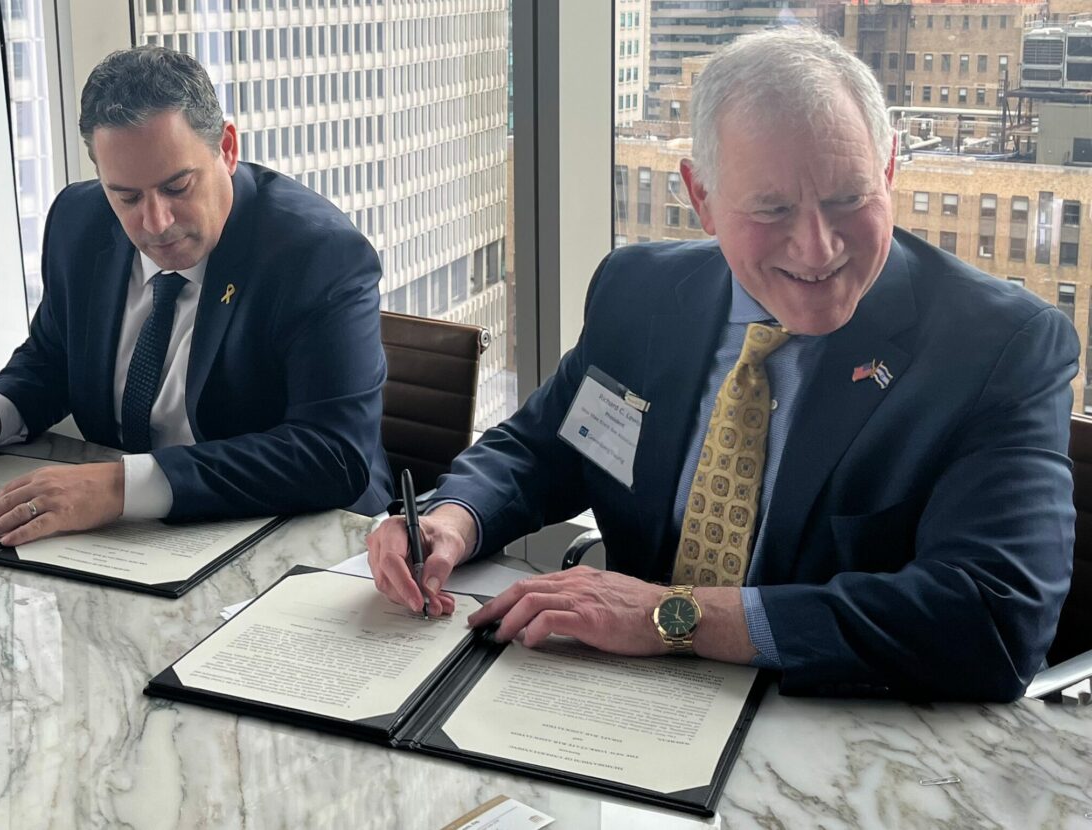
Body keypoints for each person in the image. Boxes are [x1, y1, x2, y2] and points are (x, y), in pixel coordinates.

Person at [366, 27, 1078, 701]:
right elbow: (550, 446)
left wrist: (671, 618)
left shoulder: (999, 348)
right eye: (771, 209)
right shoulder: (640, 293)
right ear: (701, 198)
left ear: (889, 168)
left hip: (833, 729)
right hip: (622, 705)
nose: (818, 246)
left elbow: (993, 617)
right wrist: (453, 518)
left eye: (849, 198)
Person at [0, 47, 392, 545]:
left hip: (298, 537)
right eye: (126, 197)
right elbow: (55, 357)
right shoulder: (78, 222)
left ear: (226, 148)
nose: (155, 222)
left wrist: (122, 488)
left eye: (178, 187)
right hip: (132, 538)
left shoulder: (317, 254)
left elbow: (333, 454)